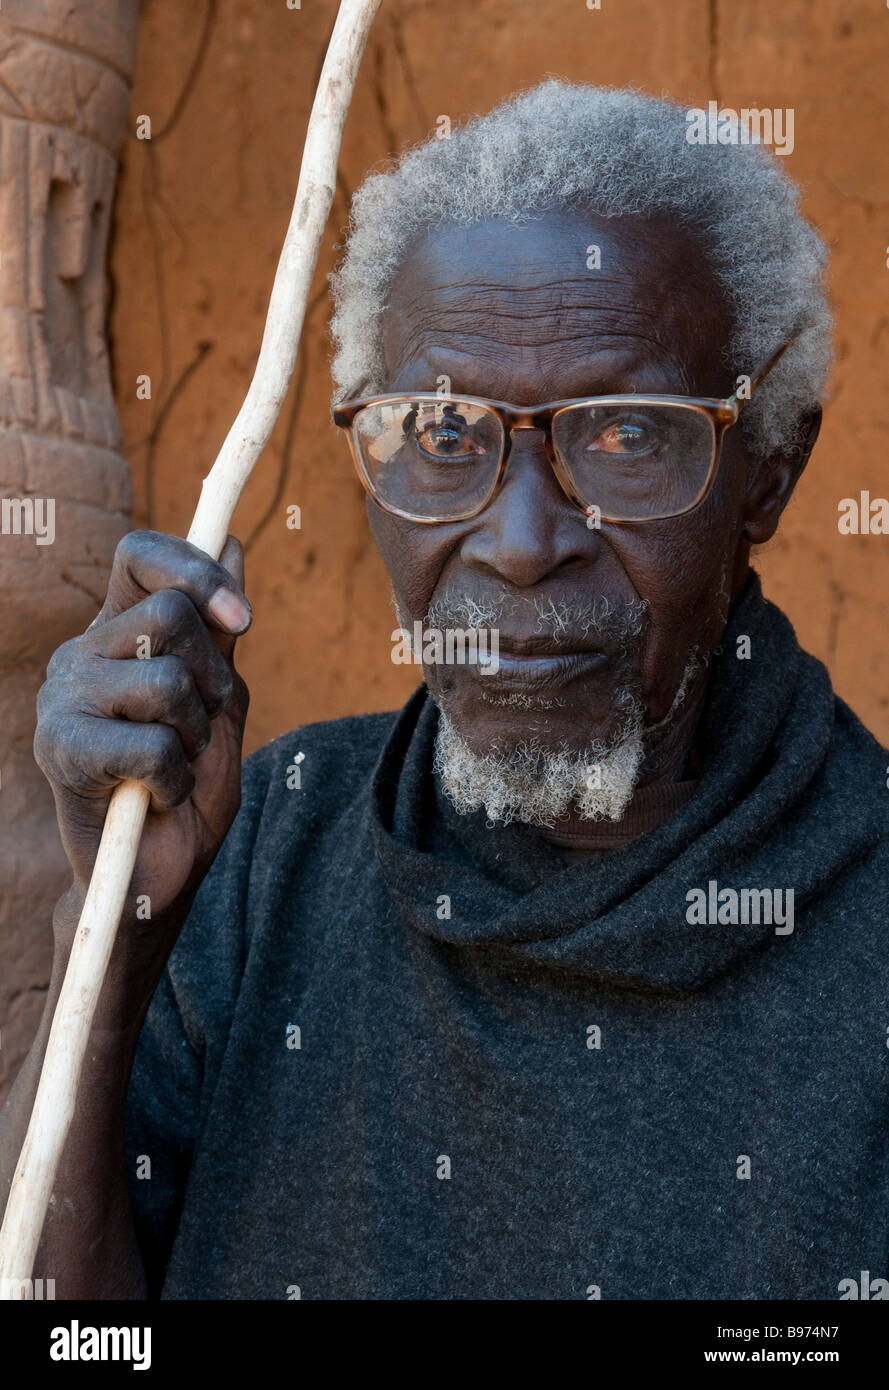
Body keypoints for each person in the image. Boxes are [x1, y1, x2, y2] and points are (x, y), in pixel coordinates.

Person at [2, 81, 887, 1301]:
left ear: (770, 472)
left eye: (625, 434)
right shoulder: (261, 850)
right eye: (441, 431)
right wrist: (113, 941)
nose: (521, 542)